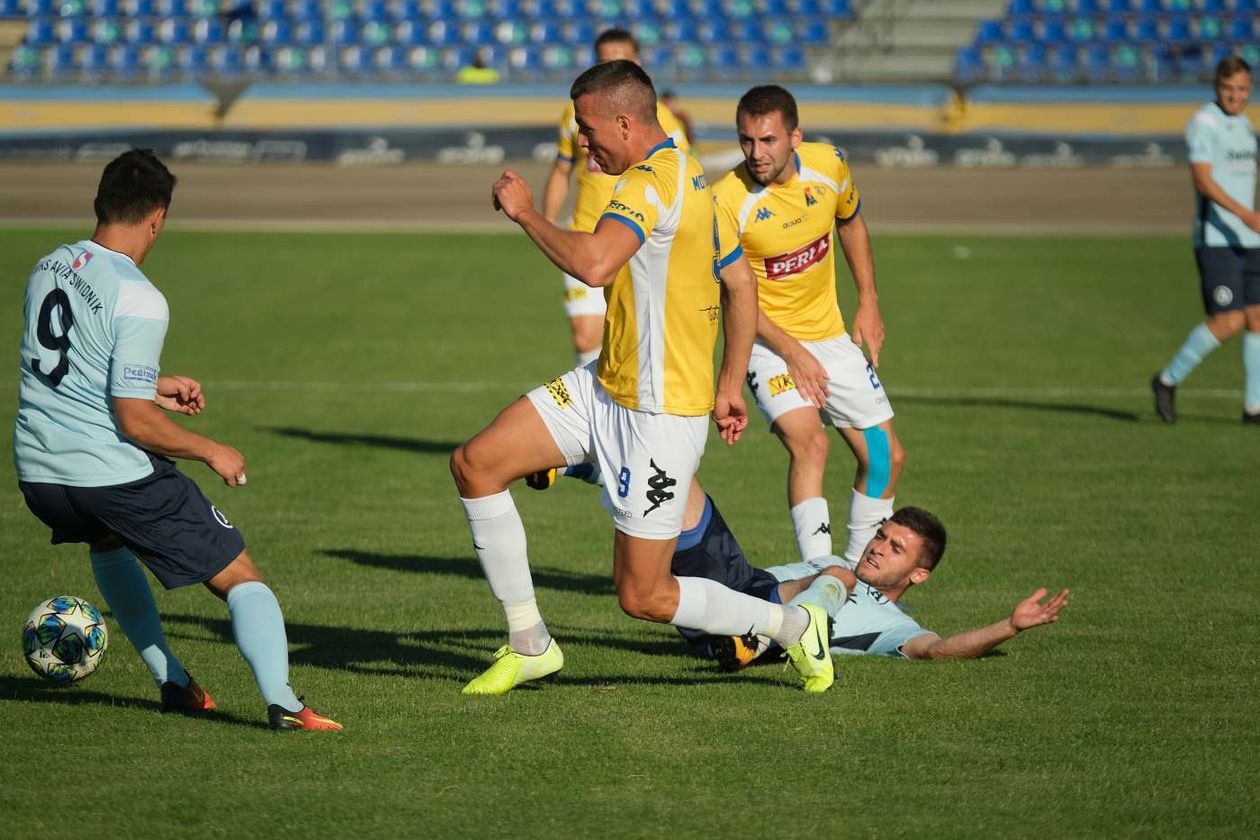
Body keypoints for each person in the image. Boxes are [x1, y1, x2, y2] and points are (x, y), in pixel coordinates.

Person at [453, 60, 835, 695]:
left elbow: (597, 264)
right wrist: (731, 384)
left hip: (658, 418)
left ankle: (793, 625)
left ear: (624, 122)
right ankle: (530, 642)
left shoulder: (649, 184)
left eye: (586, 126)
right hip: (603, 388)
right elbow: (740, 285)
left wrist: (525, 213)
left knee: (644, 595)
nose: (580, 139)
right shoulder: (694, 177)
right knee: (476, 464)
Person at [14, 150, 339, 731]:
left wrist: (153, 385)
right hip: (103, 474)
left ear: (100, 202)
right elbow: (135, 425)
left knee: (108, 541)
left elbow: (65, 363)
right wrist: (209, 447)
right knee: (241, 576)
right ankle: (285, 703)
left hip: (39, 476)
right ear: (157, 216)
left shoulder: (50, 265)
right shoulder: (138, 295)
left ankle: (175, 683)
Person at [709, 85, 906, 568]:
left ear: (795, 136)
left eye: (769, 140)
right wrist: (793, 352)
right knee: (811, 444)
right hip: (764, 344)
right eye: (746, 141)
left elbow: (850, 222)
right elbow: (732, 294)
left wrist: (870, 302)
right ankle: (821, 576)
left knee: (887, 460)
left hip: (832, 337)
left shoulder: (830, 164)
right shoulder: (724, 201)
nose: (756, 153)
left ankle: (861, 583)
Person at [669, 488, 1069, 666]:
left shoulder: (894, 626)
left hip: (752, 632)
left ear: (919, 574)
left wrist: (1009, 627)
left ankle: (771, 637)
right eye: (881, 535)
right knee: (676, 477)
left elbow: (939, 650)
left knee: (838, 575)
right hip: (733, 590)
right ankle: (605, 470)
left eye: (896, 548)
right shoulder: (830, 561)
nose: (877, 546)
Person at [540, 28, 691, 367]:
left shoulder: (661, 120)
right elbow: (562, 170)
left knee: (632, 340)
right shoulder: (575, 116)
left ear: (635, 62)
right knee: (586, 336)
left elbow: (679, 177)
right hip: (585, 233)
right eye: (602, 62)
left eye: (617, 62)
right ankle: (595, 410)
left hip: (638, 241)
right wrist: (548, 226)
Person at [1152, 56, 1260, 425]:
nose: (1235, 96)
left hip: (1250, 239)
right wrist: (1245, 214)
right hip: (1216, 237)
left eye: (1242, 89)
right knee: (1228, 321)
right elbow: (1203, 180)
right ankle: (1167, 379)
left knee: (1258, 318)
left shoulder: (1245, 126)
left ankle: (1254, 407)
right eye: (1229, 89)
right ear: (1216, 86)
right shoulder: (1203, 123)